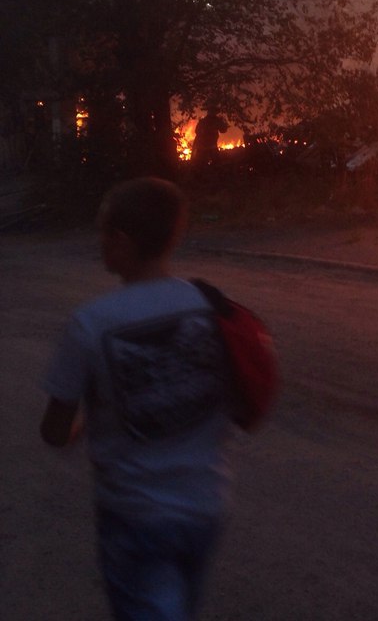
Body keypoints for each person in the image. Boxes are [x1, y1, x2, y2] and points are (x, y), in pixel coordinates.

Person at [40, 177, 233, 621]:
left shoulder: (91, 323)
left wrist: (83, 424)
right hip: (206, 506)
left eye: (102, 232)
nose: (99, 242)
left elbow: (53, 430)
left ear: (121, 241)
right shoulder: (208, 308)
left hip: (136, 517)